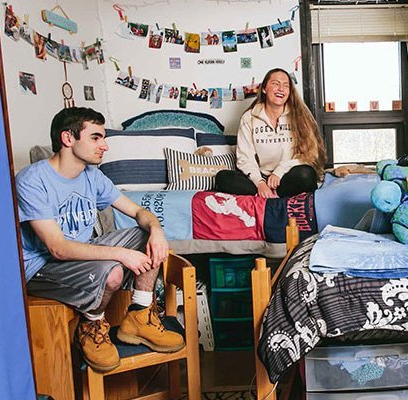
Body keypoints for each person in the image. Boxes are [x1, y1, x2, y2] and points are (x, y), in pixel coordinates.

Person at [16, 107, 184, 373]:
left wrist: (157, 230)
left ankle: (140, 315)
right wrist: (121, 254)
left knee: (145, 235)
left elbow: (139, 212)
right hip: (41, 268)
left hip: (81, 256)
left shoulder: (91, 176)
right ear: (68, 139)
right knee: (113, 273)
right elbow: (58, 249)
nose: (104, 146)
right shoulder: (32, 181)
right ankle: (92, 325)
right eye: (95, 137)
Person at [216, 68, 326, 198]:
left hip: (287, 177)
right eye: (275, 83)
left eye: (286, 85)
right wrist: (260, 183)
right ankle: (266, 194)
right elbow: (245, 158)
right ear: (264, 89)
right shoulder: (249, 118)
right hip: (259, 179)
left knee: (306, 174)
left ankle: (272, 196)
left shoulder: (300, 116)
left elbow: (309, 154)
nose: (281, 88)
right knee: (223, 178)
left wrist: (279, 171)